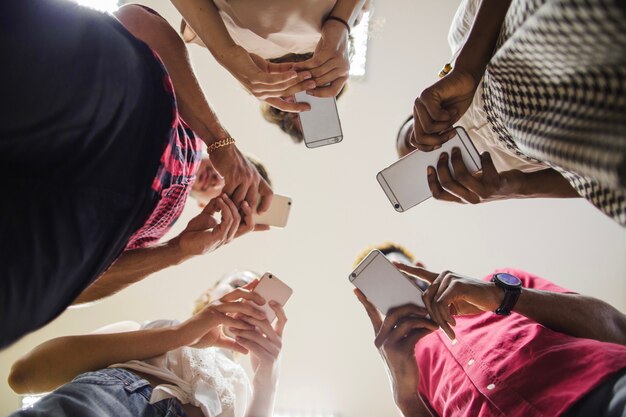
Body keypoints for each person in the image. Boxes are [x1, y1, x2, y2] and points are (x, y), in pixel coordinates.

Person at [0, 1, 271, 348]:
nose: (220, 184)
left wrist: (178, 251)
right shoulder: (191, 121)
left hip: (91, 225)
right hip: (118, 114)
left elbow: (77, 287)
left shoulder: (163, 232)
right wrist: (220, 141)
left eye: (230, 197)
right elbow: (138, 20)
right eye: (234, 179)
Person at [406, 0, 626, 224]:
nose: (426, 146)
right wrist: (520, 187)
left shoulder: (462, 37)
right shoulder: (501, 176)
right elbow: (592, 178)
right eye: (426, 167)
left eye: (412, 134)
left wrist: (468, 68)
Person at [353, 244, 626, 417]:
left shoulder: (501, 284)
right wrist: (405, 398)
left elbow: (617, 329)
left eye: (402, 270)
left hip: (604, 392)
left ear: (421, 268)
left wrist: (504, 296)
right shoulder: (410, 370)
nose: (401, 282)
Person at [8, 271, 287, 417]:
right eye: (240, 284)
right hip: (112, 402)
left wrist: (267, 378)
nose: (251, 298)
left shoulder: (247, 391)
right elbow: (25, 374)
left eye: (261, 294)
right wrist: (179, 334)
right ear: (208, 293)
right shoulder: (145, 329)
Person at [172, 0, 368, 113]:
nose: (301, 94)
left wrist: (227, 53)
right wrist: (340, 23)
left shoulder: (228, 39)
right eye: (311, 98)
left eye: (295, 107)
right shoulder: (350, 17)